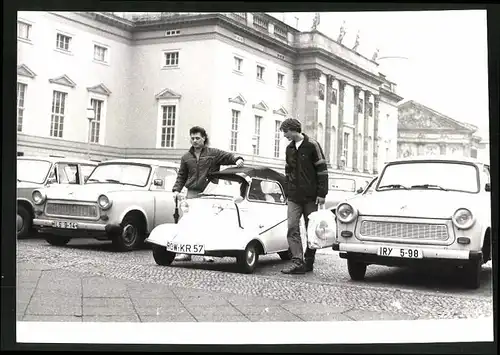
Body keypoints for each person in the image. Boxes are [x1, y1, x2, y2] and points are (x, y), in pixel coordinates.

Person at [172, 125, 244, 261]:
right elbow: (181, 175)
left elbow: (228, 156)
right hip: (192, 192)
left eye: (197, 138)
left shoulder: (213, 153)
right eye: (192, 138)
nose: (195, 141)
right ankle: (186, 252)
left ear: (204, 138)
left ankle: (207, 253)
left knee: (207, 222)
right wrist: (176, 189)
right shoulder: (186, 157)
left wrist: (237, 159)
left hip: (209, 192)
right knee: (189, 221)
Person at [280, 118, 328, 274]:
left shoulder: (312, 145)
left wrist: (322, 193)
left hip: (311, 197)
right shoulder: (289, 149)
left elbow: (322, 170)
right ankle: (297, 261)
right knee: (292, 227)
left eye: (285, 132)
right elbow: (288, 172)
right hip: (294, 196)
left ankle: (309, 261)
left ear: (293, 130)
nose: (284, 135)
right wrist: (287, 192)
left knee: (311, 230)